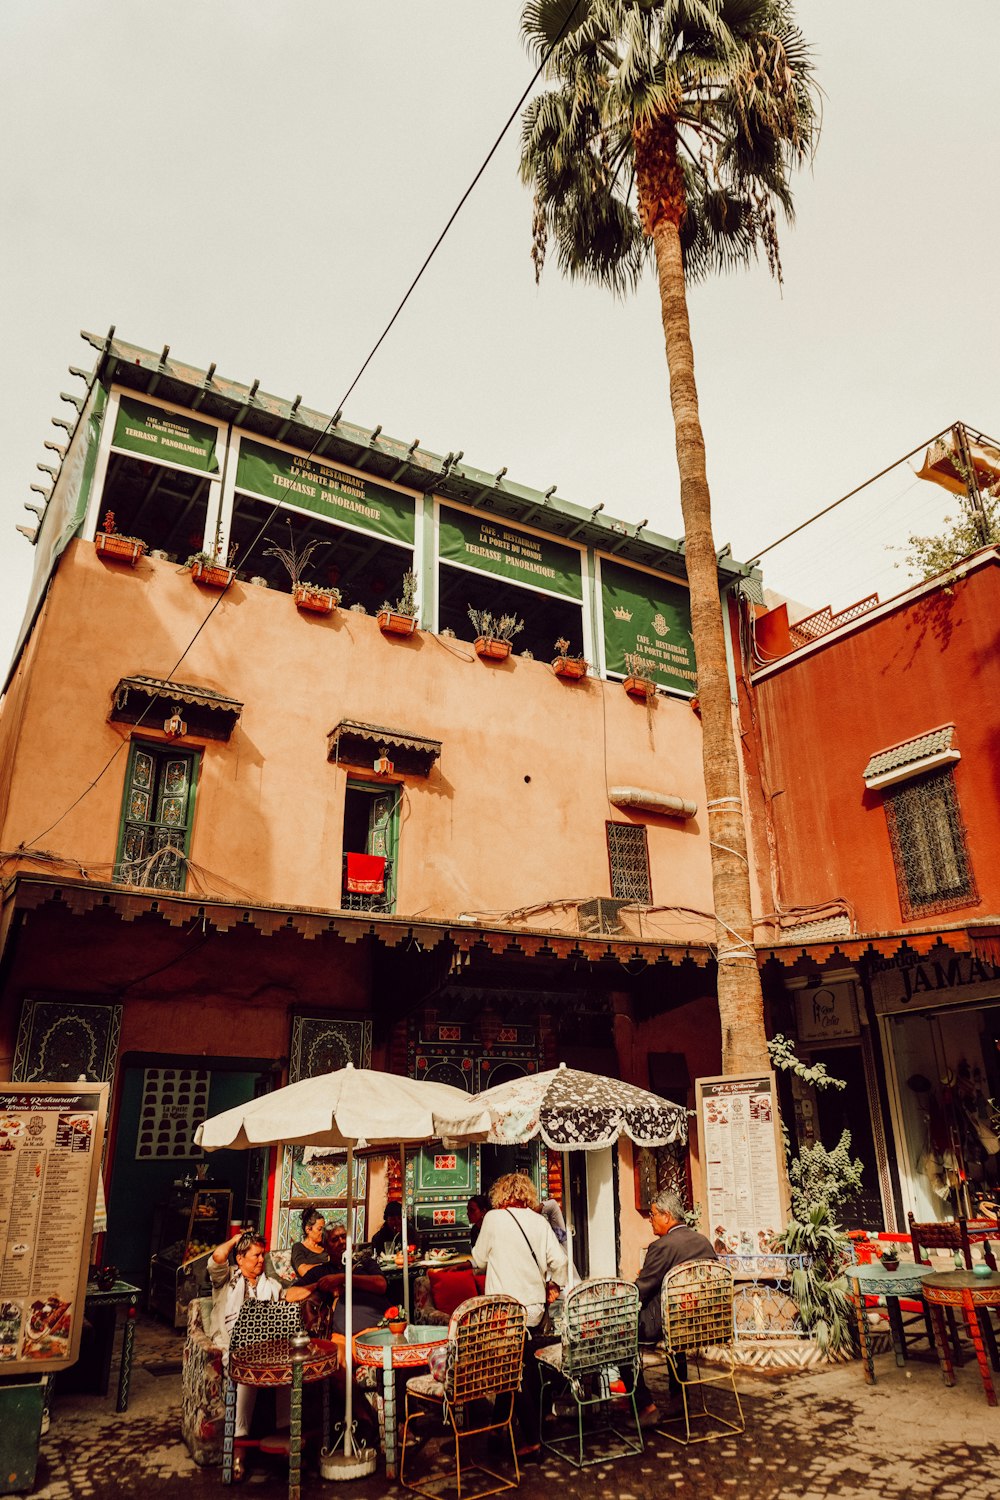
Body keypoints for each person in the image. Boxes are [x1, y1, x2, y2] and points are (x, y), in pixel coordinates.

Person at [471, 1171, 567, 1459]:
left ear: (501, 1194)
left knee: (515, 1370)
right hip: (534, 1310)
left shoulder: (493, 1219)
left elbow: (478, 1260)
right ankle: (498, 1427)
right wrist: (553, 1284)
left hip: (504, 1312)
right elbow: (560, 1261)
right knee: (516, 1362)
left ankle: (533, 1441)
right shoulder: (539, 1222)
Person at [208, 1229, 311, 1478]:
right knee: (246, 1379)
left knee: (289, 1370)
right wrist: (235, 1239)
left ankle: (286, 1437)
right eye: (255, 1255)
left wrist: (316, 1288)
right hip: (235, 1348)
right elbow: (218, 1257)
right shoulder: (227, 1279)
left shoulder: (270, 1285)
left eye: (262, 1255)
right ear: (240, 1258)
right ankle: (238, 1452)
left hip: (269, 1349)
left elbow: (288, 1297)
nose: (260, 1260)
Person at [632, 1189, 718, 1420]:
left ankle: (645, 1406)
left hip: (669, 1322)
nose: (650, 1221)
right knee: (676, 1321)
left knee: (621, 1334)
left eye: (652, 1216)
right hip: (705, 1320)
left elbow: (642, 1289)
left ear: (667, 1216)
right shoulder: (703, 1242)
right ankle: (679, 1397)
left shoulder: (662, 1247)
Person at [291, 1206, 328, 1280]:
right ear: (308, 1229)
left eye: (324, 1229)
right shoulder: (299, 1247)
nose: (323, 1232)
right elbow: (303, 1270)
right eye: (319, 1229)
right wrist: (326, 1268)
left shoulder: (326, 1246)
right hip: (310, 1284)